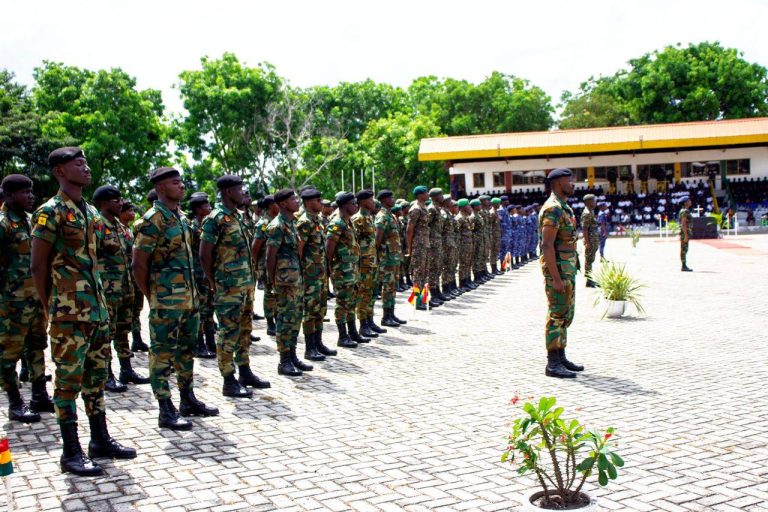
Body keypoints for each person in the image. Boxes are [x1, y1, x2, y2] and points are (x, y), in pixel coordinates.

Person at [31, 147, 135, 476]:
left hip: (97, 311)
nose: (86, 168)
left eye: (87, 162)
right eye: (79, 163)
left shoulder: (89, 212)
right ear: (60, 170)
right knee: (67, 383)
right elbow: (38, 266)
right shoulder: (51, 211)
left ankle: (100, 440)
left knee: (95, 379)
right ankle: (70, 451)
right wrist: (52, 309)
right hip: (69, 315)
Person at [133, 166, 218, 431]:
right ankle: (165, 408)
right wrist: (153, 296)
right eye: (174, 183)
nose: (181, 186)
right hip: (166, 302)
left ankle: (187, 398)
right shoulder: (152, 220)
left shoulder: (179, 218)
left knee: (185, 352)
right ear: (160, 188)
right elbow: (138, 264)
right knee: (161, 356)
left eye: (181, 182)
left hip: (189, 300)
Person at [200, 175, 270, 395]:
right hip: (228, 287)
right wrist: (214, 282)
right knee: (228, 332)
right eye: (240, 189)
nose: (243, 193)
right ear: (228, 192)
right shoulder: (215, 219)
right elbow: (204, 254)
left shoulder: (237, 217)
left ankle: (245, 370)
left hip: (246, 286)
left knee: (244, 330)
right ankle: (228, 379)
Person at [0, 174, 53, 423]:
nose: (31, 196)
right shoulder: (2, 224)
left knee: (37, 347)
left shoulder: (31, 221)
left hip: (34, 300)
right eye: (25, 192)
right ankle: (15, 403)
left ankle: (39, 395)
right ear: (9, 195)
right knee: (9, 354)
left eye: (31, 191)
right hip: (11, 303)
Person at [93, 185, 149, 392]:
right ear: (104, 203)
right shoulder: (96, 226)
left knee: (123, 330)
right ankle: (106, 375)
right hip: (107, 291)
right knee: (106, 333)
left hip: (126, 288)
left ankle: (126, 369)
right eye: (116, 200)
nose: (120, 203)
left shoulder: (121, 227)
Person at [538, 168, 584, 379]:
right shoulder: (553, 209)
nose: (573, 183)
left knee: (565, 314)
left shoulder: (564, 207)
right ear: (557, 183)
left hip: (567, 270)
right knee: (557, 313)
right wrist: (555, 277)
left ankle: (561, 355)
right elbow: (547, 245)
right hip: (558, 272)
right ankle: (552, 364)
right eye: (569, 180)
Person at [266, 189, 313, 376]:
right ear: (283, 204)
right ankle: (283, 361)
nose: (296, 201)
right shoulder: (277, 226)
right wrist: (272, 282)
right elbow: (270, 256)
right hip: (284, 282)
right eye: (293, 199)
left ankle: (292, 356)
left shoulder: (291, 223)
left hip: (295, 280)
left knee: (295, 319)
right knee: (285, 320)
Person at [296, 188, 336, 360]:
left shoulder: (317, 220)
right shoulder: (304, 222)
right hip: (309, 275)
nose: (320, 203)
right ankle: (310, 347)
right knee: (310, 311)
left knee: (320, 309)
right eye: (317, 200)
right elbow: (299, 249)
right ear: (308, 202)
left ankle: (318, 343)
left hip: (320, 274)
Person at [326, 192, 363, 346]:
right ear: (345, 205)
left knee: (351, 301)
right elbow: (329, 250)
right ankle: (342, 336)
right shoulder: (337, 223)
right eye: (353, 203)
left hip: (351, 269)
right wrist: (329, 270)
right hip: (341, 270)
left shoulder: (348, 222)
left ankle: (352, 332)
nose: (356, 205)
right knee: (342, 303)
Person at [352, 189, 383, 338]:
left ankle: (370, 321)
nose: (373, 202)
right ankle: (363, 324)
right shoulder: (357, 219)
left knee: (371, 293)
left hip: (372, 262)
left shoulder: (369, 217)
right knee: (363, 294)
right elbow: (354, 243)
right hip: (363, 263)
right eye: (371, 200)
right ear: (363, 202)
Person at [188, 192, 216, 359]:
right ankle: (200, 344)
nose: (210, 208)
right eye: (206, 206)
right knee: (199, 309)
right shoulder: (192, 228)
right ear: (198, 210)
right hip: (198, 275)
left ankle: (211, 341)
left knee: (209, 309)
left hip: (208, 275)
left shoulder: (207, 225)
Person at [119, 201, 149, 354]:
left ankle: (137, 339)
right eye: (128, 210)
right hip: (118, 282)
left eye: (133, 209)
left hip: (132, 279)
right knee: (120, 320)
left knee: (136, 309)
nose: (132, 212)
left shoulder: (128, 230)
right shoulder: (116, 229)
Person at [375, 189, 406, 327]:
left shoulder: (390, 215)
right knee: (387, 287)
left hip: (393, 257)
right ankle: (385, 317)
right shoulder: (382, 216)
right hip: (386, 257)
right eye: (391, 197)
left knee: (392, 286)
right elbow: (377, 239)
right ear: (384, 200)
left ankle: (391, 314)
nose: (393, 200)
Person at [252, 196, 279, 336]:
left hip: (279, 265)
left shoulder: (279, 220)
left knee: (278, 294)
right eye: (276, 203)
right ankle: (270, 323)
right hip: (265, 264)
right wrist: (256, 266)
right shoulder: (263, 224)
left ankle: (277, 319)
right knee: (269, 294)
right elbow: (255, 247)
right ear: (270, 206)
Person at [406, 187, 430, 310]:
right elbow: (409, 230)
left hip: (425, 244)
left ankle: (423, 299)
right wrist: (409, 249)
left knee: (424, 273)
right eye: (426, 193)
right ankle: (416, 300)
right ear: (420, 195)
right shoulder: (415, 209)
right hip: (418, 245)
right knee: (418, 274)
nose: (428, 194)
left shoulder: (423, 207)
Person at [426, 188, 445, 306]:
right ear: (434, 197)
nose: (442, 196)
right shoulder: (431, 209)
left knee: (437, 268)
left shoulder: (438, 208)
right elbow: (425, 226)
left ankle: (437, 291)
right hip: (433, 243)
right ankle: (432, 293)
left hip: (438, 242)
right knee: (433, 269)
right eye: (440, 195)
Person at [580, 194, 600, 287]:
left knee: (591, 259)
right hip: (591, 240)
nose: (595, 202)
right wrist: (587, 242)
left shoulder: (590, 211)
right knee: (589, 260)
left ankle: (590, 279)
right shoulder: (587, 213)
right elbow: (584, 229)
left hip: (593, 239)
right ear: (589, 202)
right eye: (594, 200)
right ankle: (589, 280)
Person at [455, 198, 475, 291]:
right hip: (462, 245)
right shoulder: (459, 218)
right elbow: (457, 234)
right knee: (463, 264)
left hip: (468, 244)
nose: (470, 207)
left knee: (468, 263)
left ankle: (467, 280)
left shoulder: (466, 217)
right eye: (468, 205)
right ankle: (462, 283)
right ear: (463, 207)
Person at [489, 198, 503, 275]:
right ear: (494, 204)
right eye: (498, 203)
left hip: (497, 235)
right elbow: (490, 226)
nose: (499, 205)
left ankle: (495, 268)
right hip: (493, 235)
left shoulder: (496, 212)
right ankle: (493, 269)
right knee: (493, 252)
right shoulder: (492, 213)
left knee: (496, 251)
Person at [679, 197, 693, 272]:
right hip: (684, 233)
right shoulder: (685, 211)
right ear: (685, 203)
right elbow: (683, 224)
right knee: (684, 250)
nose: (690, 201)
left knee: (684, 249)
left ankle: (684, 265)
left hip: (685, 233)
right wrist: (686, 235)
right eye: (688, 200)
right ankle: (683, 266)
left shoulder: (684, 211)